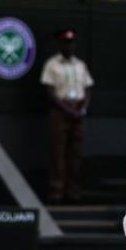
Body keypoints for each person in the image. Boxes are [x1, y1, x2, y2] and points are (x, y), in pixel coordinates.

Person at [40, 28, 93, 203]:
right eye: (65, 42)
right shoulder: (52, 64)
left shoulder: (80, 65)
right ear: (60, 44)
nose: (69, 46)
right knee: (58, 151)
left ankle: (73, 191)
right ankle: (56, 191)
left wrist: (81, 108)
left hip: (77, 111)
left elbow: (87, 88)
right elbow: (49, 92)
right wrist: (67, 109)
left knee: (75, 153)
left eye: (71, 42)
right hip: (60, 111)